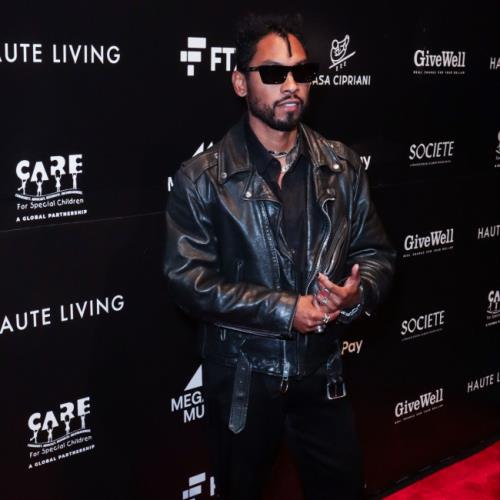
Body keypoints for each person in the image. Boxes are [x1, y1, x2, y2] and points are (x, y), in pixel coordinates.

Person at [164, 12, 396, 500]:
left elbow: (375, 253)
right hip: (243, 381)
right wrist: (287, 311)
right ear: (240, 83)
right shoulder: (202, 178)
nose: (291, 85)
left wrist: (355, 295)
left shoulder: (342, 165)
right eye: (273, 73)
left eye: (302, 72)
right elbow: (190, 282)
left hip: (323, 374)